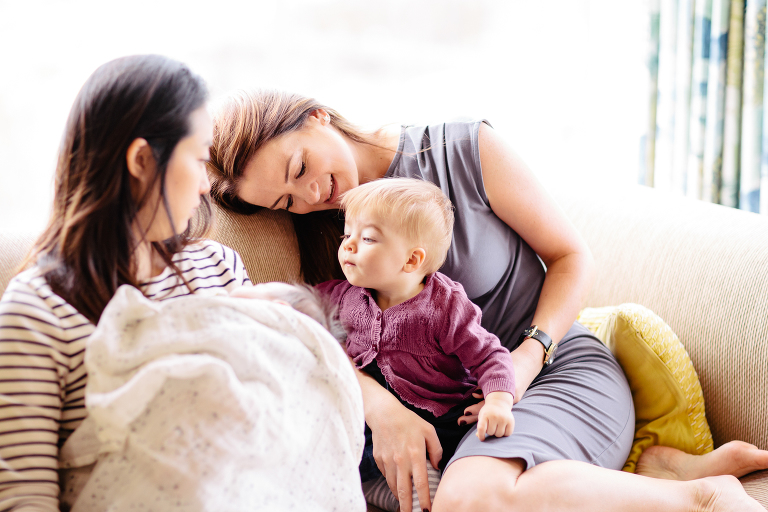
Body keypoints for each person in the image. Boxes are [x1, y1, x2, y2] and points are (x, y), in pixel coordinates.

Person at [206, 89, 768, 512]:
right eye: (287, 199)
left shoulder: (462, 149)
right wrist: (381, 407)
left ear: (317, 116)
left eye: (299, 167)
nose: (310, 195)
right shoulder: (331, 234)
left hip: (551, 371)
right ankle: (647, 470)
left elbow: (573, 258)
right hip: (443, 414)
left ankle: (700, 497)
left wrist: (527, 358)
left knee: (469, 499)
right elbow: (311, 335)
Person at [0, 58, 363, 512]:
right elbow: (23, 498)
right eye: (197, 159)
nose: (205, 187)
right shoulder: (37, 308)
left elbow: (274, 422)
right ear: (141, 160)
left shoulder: (218, 267)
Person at [316, 177, 516, 511]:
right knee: (339, 443)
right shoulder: (344, 296)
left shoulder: (444, 306)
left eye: (366, 238)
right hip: (375, 421)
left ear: (411, 261)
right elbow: (300, 304)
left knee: (452, 452)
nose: (348, 246)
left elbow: (490, 354)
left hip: (442, 415)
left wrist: (498, 401)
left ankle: (421, 494)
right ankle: (377, 487)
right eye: (346, 235)